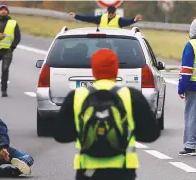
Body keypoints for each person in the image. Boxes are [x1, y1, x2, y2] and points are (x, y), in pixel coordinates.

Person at [53, 49, 160, 180]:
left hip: (87, 170)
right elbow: (151, 135)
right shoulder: (131, 96)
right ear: (116, 69)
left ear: (93, 69)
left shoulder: (77, 96)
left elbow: (60, 135)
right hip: (122, 171)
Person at [178, 17, 196, 156]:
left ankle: (190, 146)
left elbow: (187, 69)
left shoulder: (192, 45)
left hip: (195, 87)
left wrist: (181, 88)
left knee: (192, 117)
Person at [70, 6, 142, 28]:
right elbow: (88, 18)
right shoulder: (101, 17)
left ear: (115, 12)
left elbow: (127, 22)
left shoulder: (119, 19)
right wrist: (76, 16)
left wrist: (134, 19)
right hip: (101, 42)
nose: (110, 15)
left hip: (114, 42)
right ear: (107, 12)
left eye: (112, 13)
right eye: (109, 13)